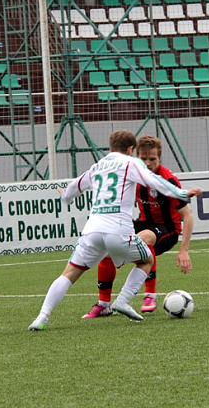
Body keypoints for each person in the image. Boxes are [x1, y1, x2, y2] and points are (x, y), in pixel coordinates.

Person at [28, 130, 202, 331]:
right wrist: (182, 193)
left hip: (92, 231)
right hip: (117, 230)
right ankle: (123, 300)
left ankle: (41, 317)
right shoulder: (131, 163)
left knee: (69, 273)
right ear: (130, 149)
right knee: (147, 261)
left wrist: (64, 196)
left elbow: (74, 188)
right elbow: (154, 181)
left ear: (110, 148)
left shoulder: (97, 166)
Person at [82, 135, 196, 319]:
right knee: (107, 246)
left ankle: (150, 295)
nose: (148, 163)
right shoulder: (134, 177)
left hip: (168, 229)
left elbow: (188, 216)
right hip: (143, 223)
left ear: (159, 158)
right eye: (143, 159)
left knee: (144, 238)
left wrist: (184, 250)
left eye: (152, 159)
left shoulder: (168, 179)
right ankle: (104, 305)